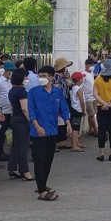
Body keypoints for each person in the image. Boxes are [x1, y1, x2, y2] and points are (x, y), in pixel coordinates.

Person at [28, 65, 71, 200]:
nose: (42, 79)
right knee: (39, 159)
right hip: (38, 132)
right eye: (40, 76)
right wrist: (36, 126)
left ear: (52, 77)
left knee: (48, 159)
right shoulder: (33, 92)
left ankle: (42, 184)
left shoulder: (57, 92)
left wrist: (68, 122)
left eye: (45, 76)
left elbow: (63, 108)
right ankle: (41, 191)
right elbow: (31, 111)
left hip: (52, 130)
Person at [6, 68, 34, 181]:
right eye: (25, 77)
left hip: (15, 118)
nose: (27, 78)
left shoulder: (12, 90)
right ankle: (24, 170)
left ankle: (13, 168)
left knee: (16, 145)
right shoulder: (22, 91)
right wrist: (31, 121)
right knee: (23, 146)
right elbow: (24, 108)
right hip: (22, 120)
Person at [93, 59, 111, 160]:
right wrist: (110, 103)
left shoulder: (98, 79)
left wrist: (104, 103)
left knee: (101, 129)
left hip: (101, 107)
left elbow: (95, 94)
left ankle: (101, 153)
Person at [0, 61, 15, 161]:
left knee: (5, 131)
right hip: (2, 110)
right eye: (11, 71)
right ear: (7, 71)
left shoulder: (10, 82)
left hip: (9, 110)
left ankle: (1, 151)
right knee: (1, 132)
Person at [68, 72, 87, 152]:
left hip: (73, 108)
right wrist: (84, 111)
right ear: (79, 80)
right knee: (75, 128)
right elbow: (82, 102)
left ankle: (76, 142)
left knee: (76, 127)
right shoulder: (79, 89)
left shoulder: (73, 88)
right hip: (78, 109)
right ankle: (74, 145)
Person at [82, 58, 98, 137]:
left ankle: (90, 129)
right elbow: (81, 87)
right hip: (87, 97)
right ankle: (96, 130)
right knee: (91, 115)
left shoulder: (91, 73)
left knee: (92, 114)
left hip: (93, 97)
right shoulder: (83, 75)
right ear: (87, 65)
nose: (93, 66)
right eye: (92, 64)